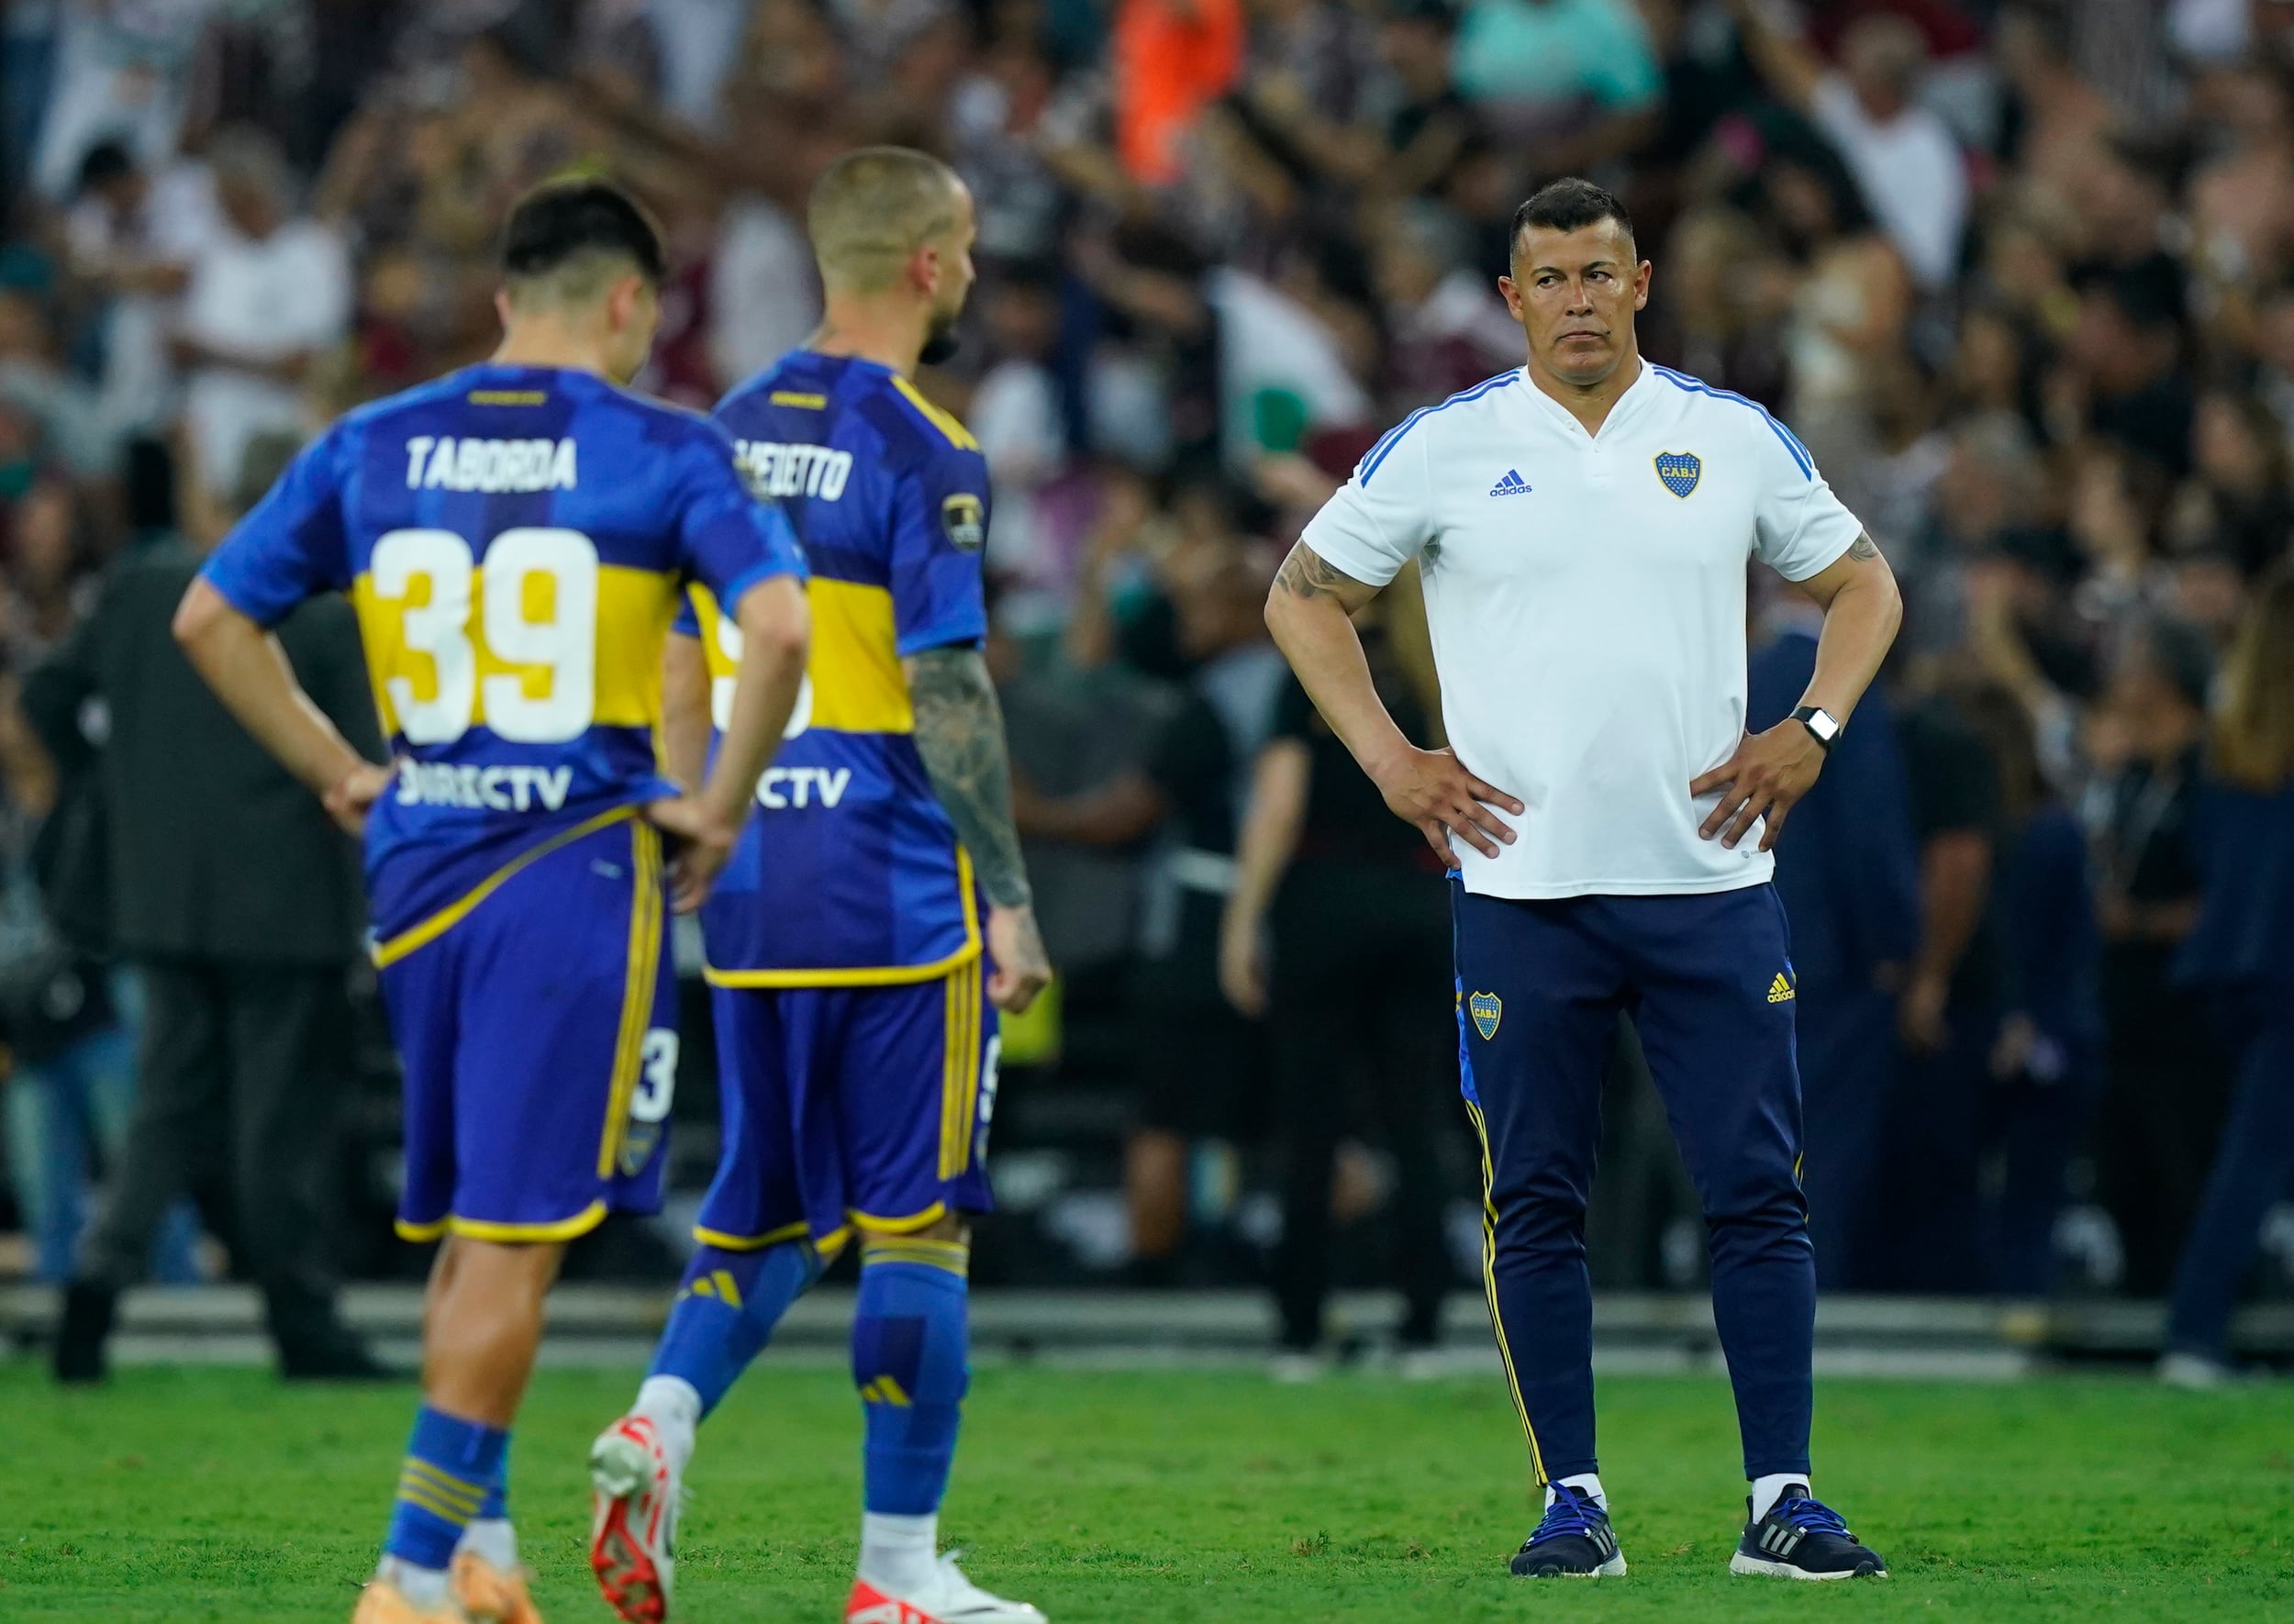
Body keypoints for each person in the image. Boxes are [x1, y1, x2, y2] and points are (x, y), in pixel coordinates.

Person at [173, 179, 813, 1624]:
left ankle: (485, 1548)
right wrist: (713, 799)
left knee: (477, 1224)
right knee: (519, 1232)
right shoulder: (663, 447)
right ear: (632, 302)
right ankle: (406, 1570)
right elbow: (776, 625)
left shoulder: (372, 439)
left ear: (507, 295)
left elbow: (210, 617)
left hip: (416, 868)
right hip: (569, 867)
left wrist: (342, 771)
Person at [1264, 178, 1899, 1580]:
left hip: (1711, 878)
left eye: (1599, 274)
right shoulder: (1446, 445)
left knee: (1756, 1190)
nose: (1576, 301)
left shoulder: (1729, 437)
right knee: (1535, 1197)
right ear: (1510, 299)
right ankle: (1574, 1500)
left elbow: (1867, 584)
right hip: (1521, 883)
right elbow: (1300, 593)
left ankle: (1781, 1500)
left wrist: (1812, 729)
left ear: (1642, 281)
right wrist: (1388, 758)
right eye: (1548, 278)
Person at [585, 148, 1053, 1624]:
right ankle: (898, 1577)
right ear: (925, 265)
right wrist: (1008, 891)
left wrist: (694, 819)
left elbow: (673, 654)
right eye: (965, 250)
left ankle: (657, 1420)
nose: (972, 274)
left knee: (769, 1208)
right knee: (920, 1223)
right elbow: (950, 689)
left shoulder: (715, 430)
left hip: (750, 865)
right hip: (889, 866)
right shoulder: (922, 446)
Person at [39, 429, 377, 1382]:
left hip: (161, 898)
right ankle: (301, 1322)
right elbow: (362, 773)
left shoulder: (146, 591)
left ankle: (97, 1282)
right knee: (279, 1128)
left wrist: (111, 794)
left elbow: (47, 697)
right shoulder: (326, 619)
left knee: (166, 1106)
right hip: (287, 911)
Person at [1220, 599, 1461, 1368]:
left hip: (1323, 904)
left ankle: (1298, 1327)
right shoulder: (1450, 671)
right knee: (1418, 1123)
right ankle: (1424, 1322)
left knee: (1310, 1127)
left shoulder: (1322, 673)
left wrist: (1242, 920)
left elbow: (1279, 804)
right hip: (1424, 903)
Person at [1744, 595, 1918, 1291]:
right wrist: (1894, 940)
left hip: (1716, 935)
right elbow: (1868, 825)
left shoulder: (1727, 671)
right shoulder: (1835, 673)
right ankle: (1813, 1310)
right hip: (1824, 955)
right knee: (1824, 1148)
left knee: (1737, 1138)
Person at [2161, 565, 2294, 1385]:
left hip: (2238, 969)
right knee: (2254, 1154)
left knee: (2252, 1149)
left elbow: (2209, 857)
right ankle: (2194, 1330)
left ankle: (2199, 1326)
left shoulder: (2236, 736)